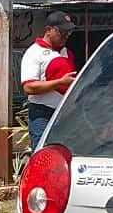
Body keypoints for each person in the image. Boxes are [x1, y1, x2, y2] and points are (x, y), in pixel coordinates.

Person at [20, 10, 78, 150]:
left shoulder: (67, 53)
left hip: (65, 112)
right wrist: (59, 82)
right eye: (62, 32)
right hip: (43, 113)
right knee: (44, 152)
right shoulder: (34, 53)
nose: (66, 36)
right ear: (48, 30)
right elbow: (29, 87)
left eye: (68, 33)